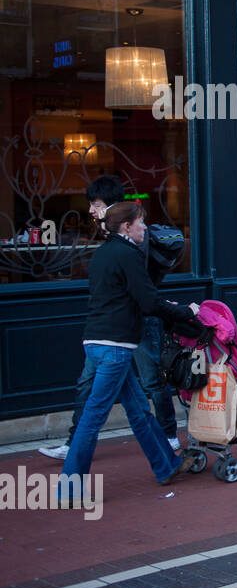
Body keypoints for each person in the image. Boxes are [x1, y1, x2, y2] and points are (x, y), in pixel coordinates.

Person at [57, 203, 200, 505]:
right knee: (93, 419)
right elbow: (148, 302)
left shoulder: (101, 255)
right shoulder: (129, 255)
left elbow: (123, 297)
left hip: (96, 342)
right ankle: (68, 490)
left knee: (138, 411)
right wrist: (185, 311)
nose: (145, 228)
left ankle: (167, 465)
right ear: (126, 227)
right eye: (141, 223)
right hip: (116, 347)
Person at [41, 177, 181, 461]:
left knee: (149, 382)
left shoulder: (129, 235)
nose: (91, 211)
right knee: (115, 392)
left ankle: (168, 437)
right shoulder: (113, 238)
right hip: (114, 330)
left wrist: (182, 311)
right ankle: (163, 457)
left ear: (110, 206)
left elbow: (141, 291)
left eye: (95, 204)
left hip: (128, 326)